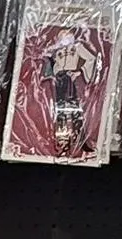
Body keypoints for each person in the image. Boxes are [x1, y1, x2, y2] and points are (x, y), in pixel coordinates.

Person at [41, 28, 98, 157]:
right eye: (63, 36)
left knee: (75, 109)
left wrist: (80, 71)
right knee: (60, 111)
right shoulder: (57, 50)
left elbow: (91, 59)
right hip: (59, 81)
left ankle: (80, 140)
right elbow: (49, 61)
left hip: (70, 80)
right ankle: (63, 143)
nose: (65, 38)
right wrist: (51, 69)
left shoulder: (77, 47)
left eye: (68, 36)